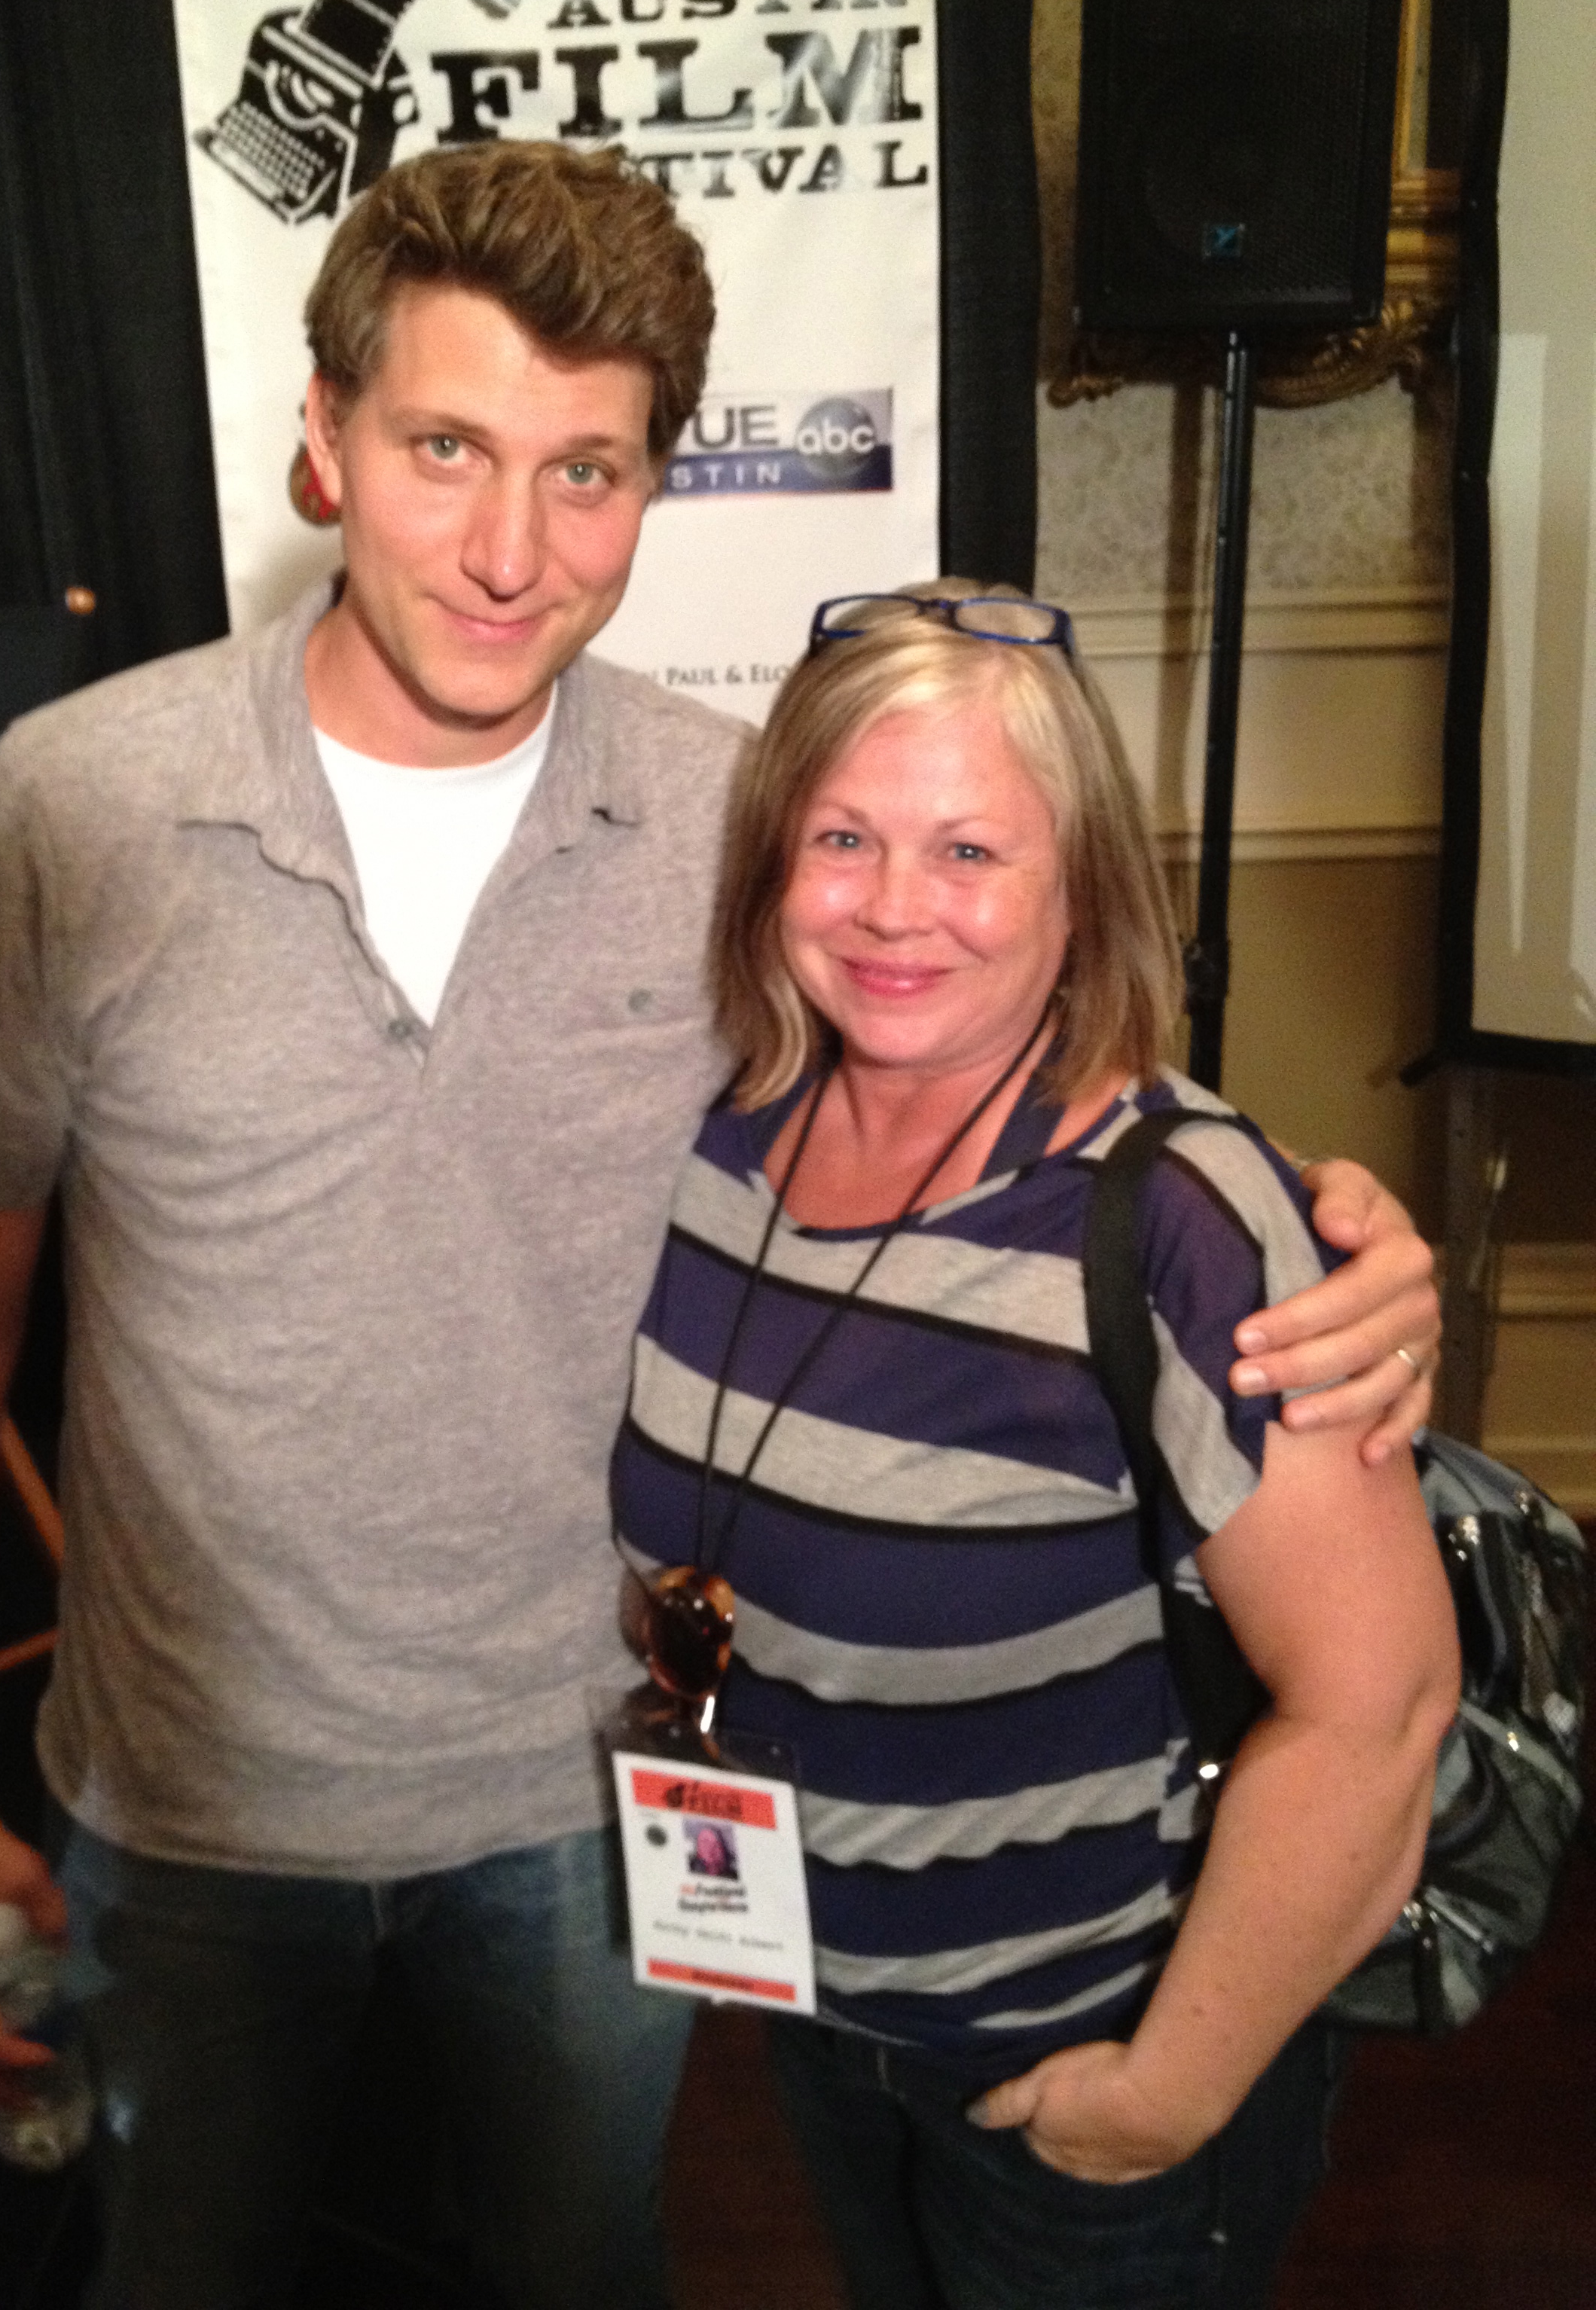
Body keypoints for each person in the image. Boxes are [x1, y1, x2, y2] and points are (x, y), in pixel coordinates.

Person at [0, 143, 1439, 2310]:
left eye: (586, 474)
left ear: (654, 490)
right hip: (183, 1808)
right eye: (445, 450)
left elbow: (1010, 1069)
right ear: (323, 443)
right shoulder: (77, 806)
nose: (512, 552)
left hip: (595, 1821)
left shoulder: (738, 828)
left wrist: (1342, 1240)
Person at [611, 584, 1460, 2310]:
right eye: (842, 837)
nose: (896, 909)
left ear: (1081, 891)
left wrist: (1170, 2092)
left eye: (973, 853)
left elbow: (1379, 1709)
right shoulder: (720, 1135)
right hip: (821, 2012)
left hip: (1083, 2052)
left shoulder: (1176, 1217)